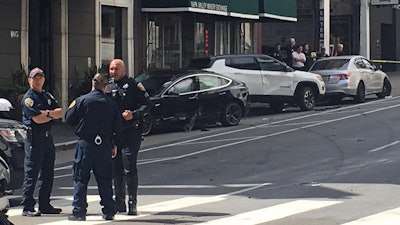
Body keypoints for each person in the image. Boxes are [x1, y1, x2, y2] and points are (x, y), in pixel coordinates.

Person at [65, 73, 121, 221]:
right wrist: (113, 144)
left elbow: (69, 118)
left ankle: (79, 211)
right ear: (106, 86)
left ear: (93, 83)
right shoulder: (111, 103)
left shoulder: (82, 100)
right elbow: (117, 127)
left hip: (86, 144)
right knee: (105, 179)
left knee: (80, 179)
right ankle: (109, 211)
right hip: (104, 144)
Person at [107, 59, 152, 215]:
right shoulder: (108, 87)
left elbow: (147, 103)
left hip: (130, 132)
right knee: (115, 168)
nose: (113, 72)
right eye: (111, 69)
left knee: (129, 167)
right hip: (114, 134)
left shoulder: (133, 85)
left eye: (116, 69)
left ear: (124, 70)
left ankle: (132, 203)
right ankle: (119, 202)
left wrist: (134, 114)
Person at [20, 67, 63, 216]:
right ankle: (27, 207)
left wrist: (48, 113)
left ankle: (45, 204)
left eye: (40, 77)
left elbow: (60, 112)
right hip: (35, 138)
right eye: (35, 77)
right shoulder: (29, 98)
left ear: (44, 79)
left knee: (47, 173)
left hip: (47, 137)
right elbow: (37, 119)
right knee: (32, 173)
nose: (38, 80)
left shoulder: (47, 95)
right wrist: (50, 114)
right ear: (29, 80)